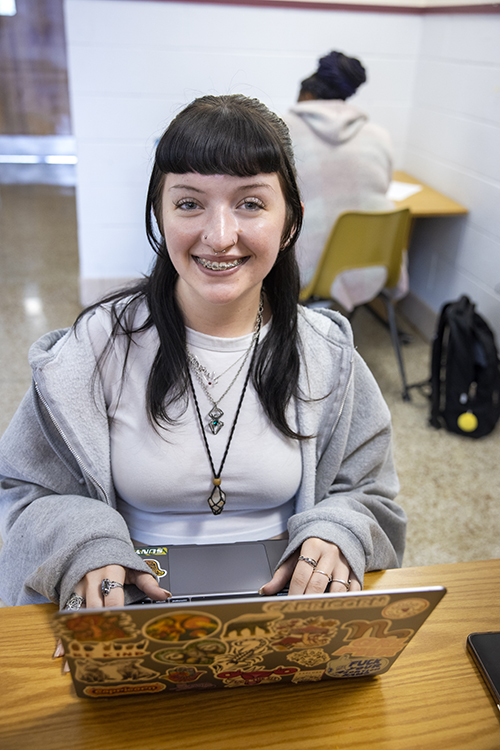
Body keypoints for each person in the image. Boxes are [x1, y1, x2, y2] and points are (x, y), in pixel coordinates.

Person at [0, 94, 406, 610]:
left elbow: (369, 493)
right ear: (160, 213)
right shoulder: (95, 349)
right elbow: (25, 488)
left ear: (291, 221)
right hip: (128, 599)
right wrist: (86, 542)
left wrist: (336, 529)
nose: (219, 237)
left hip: (284, 603)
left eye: (251, 203)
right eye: (189, 203)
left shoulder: (325, 354)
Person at [284, 51, 406, 309]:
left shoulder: (281, 130)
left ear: (306, 95)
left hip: (303, 271)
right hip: (373, 263)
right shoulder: (379, 135)